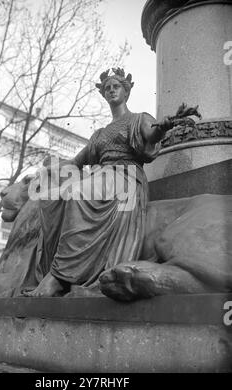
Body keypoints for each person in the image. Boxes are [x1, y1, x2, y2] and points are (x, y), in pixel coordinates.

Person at [23, 68, 177, 297]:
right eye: (107, 88)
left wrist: (162, 127)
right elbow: (76, 162)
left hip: (126, 177)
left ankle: (58, 278)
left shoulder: (139, 119)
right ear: (104, 95)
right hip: (103, 176)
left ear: (126, 91)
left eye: (116, 86)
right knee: (53, 199)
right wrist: (49, 171)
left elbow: (151, 134)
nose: (111, 90)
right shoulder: (100, 134)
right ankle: (52, 273)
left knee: (77, 193)